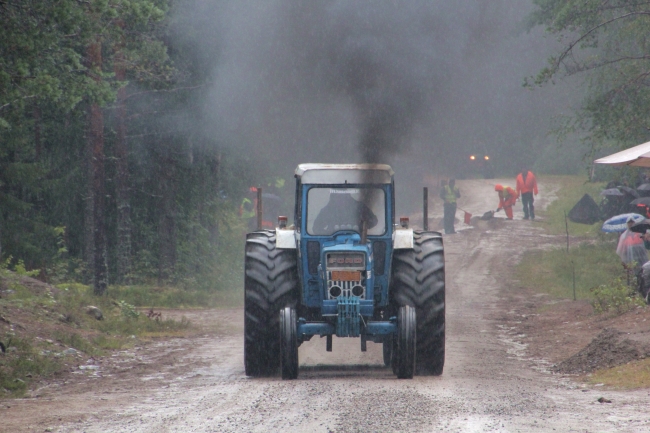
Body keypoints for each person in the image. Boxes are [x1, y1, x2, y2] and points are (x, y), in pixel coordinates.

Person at [312, 191, 378, 235]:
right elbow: (316, 228)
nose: (340, 199)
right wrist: (330, 234)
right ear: (333, 197)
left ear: (347, 196)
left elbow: (373, 221)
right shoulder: (328, 210)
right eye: (337, 196)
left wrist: (362, 226)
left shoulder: (360, 207)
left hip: (358, 240)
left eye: (342, 197)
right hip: (332, 241)